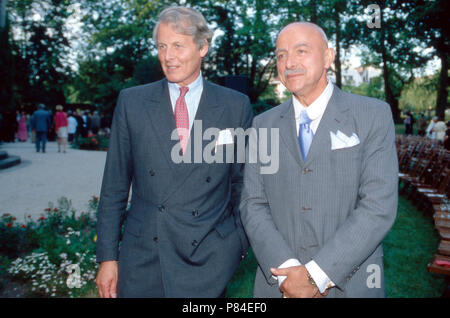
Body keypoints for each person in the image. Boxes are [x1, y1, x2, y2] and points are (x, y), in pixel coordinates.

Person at [95, 6, 253, 298]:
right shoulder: (132, 103)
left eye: (178, 45)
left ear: (203, 47)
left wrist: (235, 246)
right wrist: (107, 258)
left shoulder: (235, 106)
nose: (168, 56)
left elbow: (241, 184)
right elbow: (114, 187)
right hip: (143, 259)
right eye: (162, 46)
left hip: (208, 259)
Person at [240, 22, 398, 298]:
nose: (289, 62)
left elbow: (378, 205)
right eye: (280, 55)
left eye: (301, 51)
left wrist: (316, 276)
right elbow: (253, 204)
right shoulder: (262, 125)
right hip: (279, 285)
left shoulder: (372, 115)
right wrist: (289, 270)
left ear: (328, 57)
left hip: (350, 284)